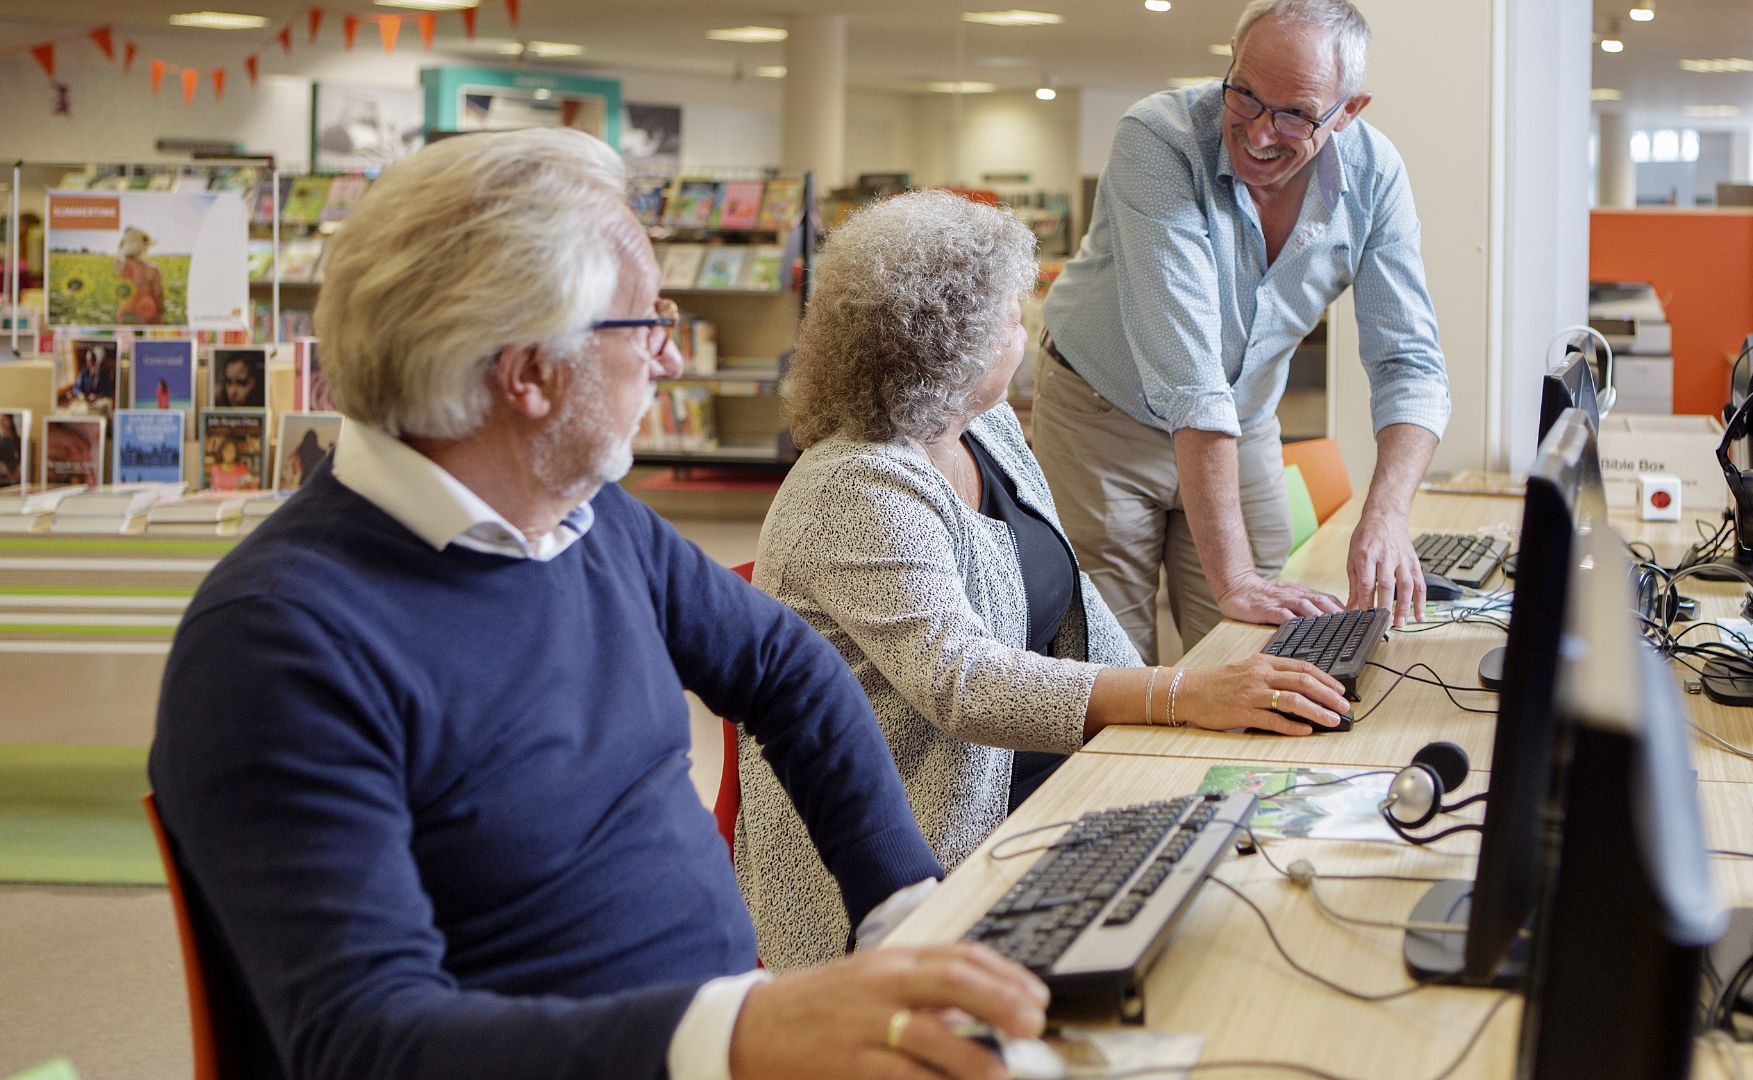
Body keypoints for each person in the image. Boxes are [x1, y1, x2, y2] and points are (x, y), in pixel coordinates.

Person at [150, 129, 1048, 1080]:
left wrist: (900, 905)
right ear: (529, 374)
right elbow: (367, 1043)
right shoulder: (278, 646)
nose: (665, 360)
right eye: (643, 324)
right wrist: (741, 1037)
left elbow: (786, 668)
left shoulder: (585, 519)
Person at [734, 190, 1352, 973]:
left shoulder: (983, 428)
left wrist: (1188, 715)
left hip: (1040, 791)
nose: (1025, 331)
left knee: (1243, 885)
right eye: (1010, 319)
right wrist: (1178, 697)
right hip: (916, 859)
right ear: (948, 343)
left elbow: (1074, 597)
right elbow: (964, 683)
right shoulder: (855, 486)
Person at [1035, 0, 1450, 661]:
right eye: (1246, 95)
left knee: (1260, 650)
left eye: (1295, 113)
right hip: (1101, 417)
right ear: (1231, 57)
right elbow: (1189, 373)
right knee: (1110, 662)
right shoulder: (1158, 137)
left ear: (1348, 111)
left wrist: (1388, 516)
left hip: (1244, 414)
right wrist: (1234, 581)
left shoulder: (1376, 177)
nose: (1259, 132)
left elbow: (1411, 366)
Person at [115, 226, 166, 324]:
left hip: (126, 313)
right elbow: (159, 295)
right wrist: (162, 314)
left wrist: (124, 244)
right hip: (149, 312)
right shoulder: (153, 269)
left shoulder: (121, 267)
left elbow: (119, 255)